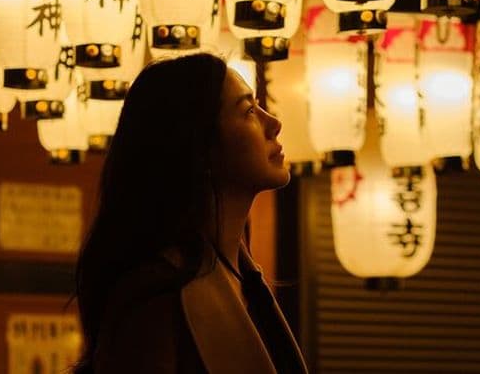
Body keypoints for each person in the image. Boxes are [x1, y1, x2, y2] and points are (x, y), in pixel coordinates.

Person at [73, 53, 308, 373]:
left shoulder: (242, 277)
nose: (274, 123)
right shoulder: (158, 297)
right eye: (249, 111)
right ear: (199, 145)